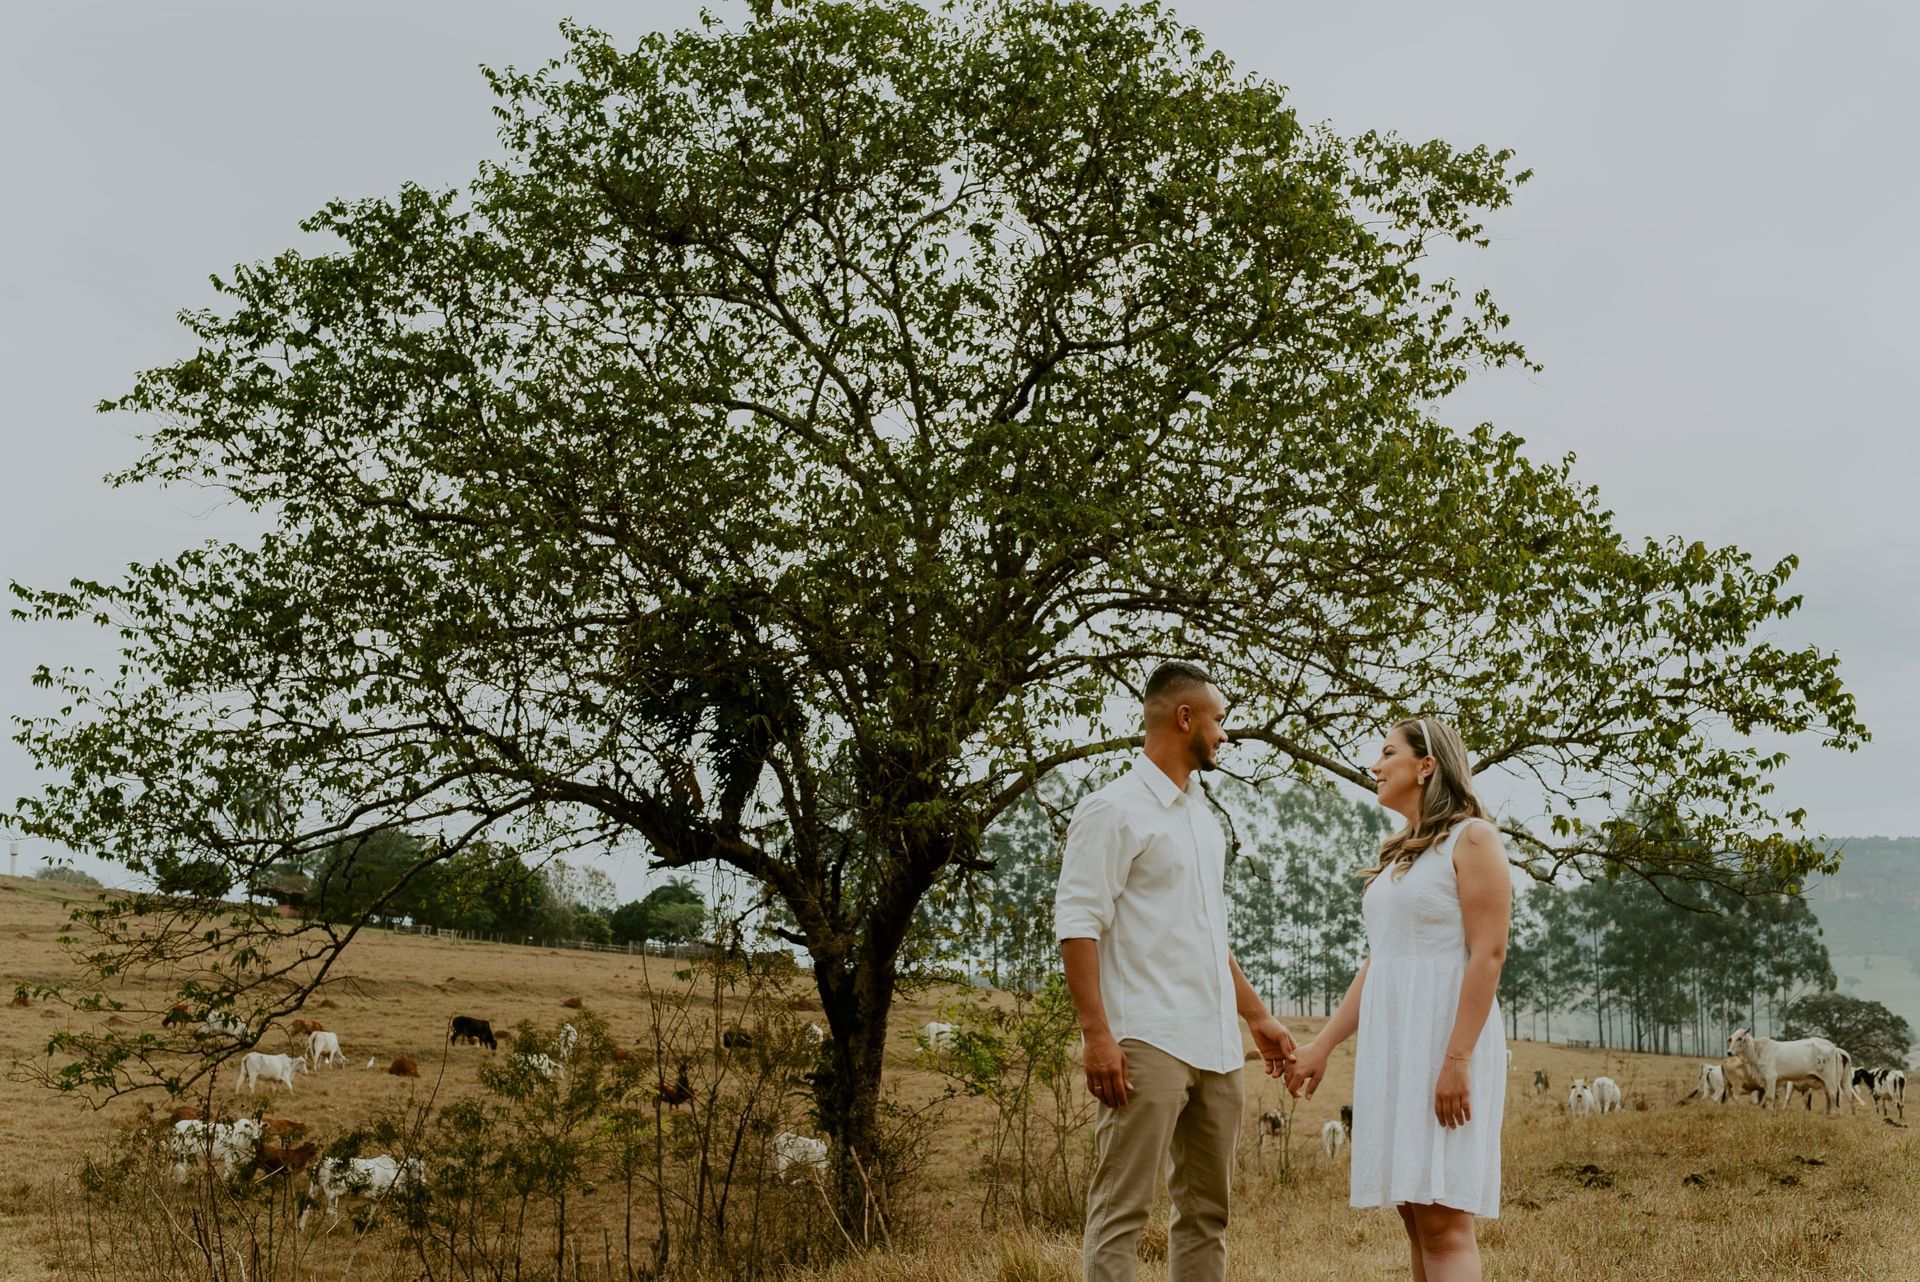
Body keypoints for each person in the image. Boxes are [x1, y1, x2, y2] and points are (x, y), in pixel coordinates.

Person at [1055, 661, 1296, 1282]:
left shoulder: (1202, 819)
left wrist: (1257, 1016)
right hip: (1147, 1039)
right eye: (1219, 720)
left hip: (1216, 1045)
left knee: (1207, 1214)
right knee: (1122, 1212)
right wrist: (1097, 1034)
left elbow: (1209, 935)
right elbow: (1078, 924)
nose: (1225, 735)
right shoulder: (1112, 809)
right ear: (1184, 717)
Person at [1285, 715, 1510, 1282]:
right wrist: (1324, 1044)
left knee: (1444, 1224)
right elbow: (1379, 962)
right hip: (1397, 1045)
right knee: (1415, 1215)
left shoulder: (1472, 838)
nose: (1376, 765)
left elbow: (1489, 953)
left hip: (1445, 1038)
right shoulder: (1401, 856)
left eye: (1388, 753)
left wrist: (1456, 1059)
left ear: (1426, 765)